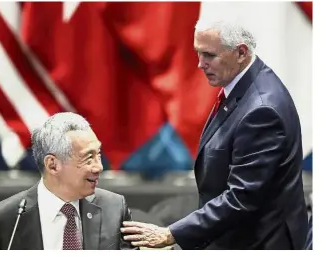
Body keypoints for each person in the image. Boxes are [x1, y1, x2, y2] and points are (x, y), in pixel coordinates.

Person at [121, 19, 308, 249]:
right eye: (198, 53)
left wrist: (171, 234)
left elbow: (242, 198)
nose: (200, 64)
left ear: (241, 52)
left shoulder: (261, 110)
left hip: (261, 243)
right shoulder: (242, 84)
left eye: (209, 55)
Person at [0, 112, 137, 250]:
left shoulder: (114, 209)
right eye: (89, 157)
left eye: (99, 154)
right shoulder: (4, 220)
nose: (99, 167)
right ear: (52, 165)